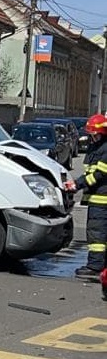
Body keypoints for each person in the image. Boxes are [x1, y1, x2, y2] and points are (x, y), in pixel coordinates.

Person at [65, 113, 107, 279]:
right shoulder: (97, 146)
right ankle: (101, 266)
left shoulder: (104, 149)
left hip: (101, 200)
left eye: (93, 134)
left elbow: (99, 174)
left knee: (97, 235)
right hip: (97, 198)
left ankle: (95, 266)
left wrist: (77, 185)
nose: (91, 137)